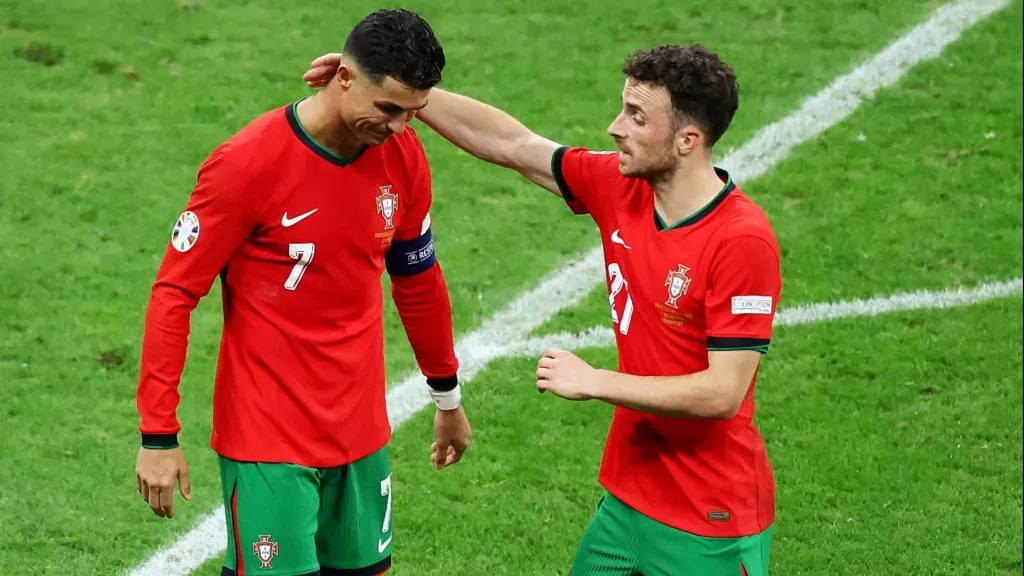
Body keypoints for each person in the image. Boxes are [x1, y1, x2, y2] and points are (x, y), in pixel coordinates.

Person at [304, 41, 782, 576]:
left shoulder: (741, 241)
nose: (614, 127)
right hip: (630, 498)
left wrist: (595, 380)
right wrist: (405, 95)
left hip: (709, 518)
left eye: (637, 117)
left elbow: (723, 393)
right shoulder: (621, 188)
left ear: (688, 140)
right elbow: (513, 144)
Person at [135, 9, 472, 576]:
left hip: (361, 429)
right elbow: (174, 294)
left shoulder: (404, 157)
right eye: (387, 109)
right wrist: (158, 434)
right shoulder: (247, 164)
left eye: (413, 114)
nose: (397, 128)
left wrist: (447, 397)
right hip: (267, 434)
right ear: (343, 76)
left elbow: (417, 282)